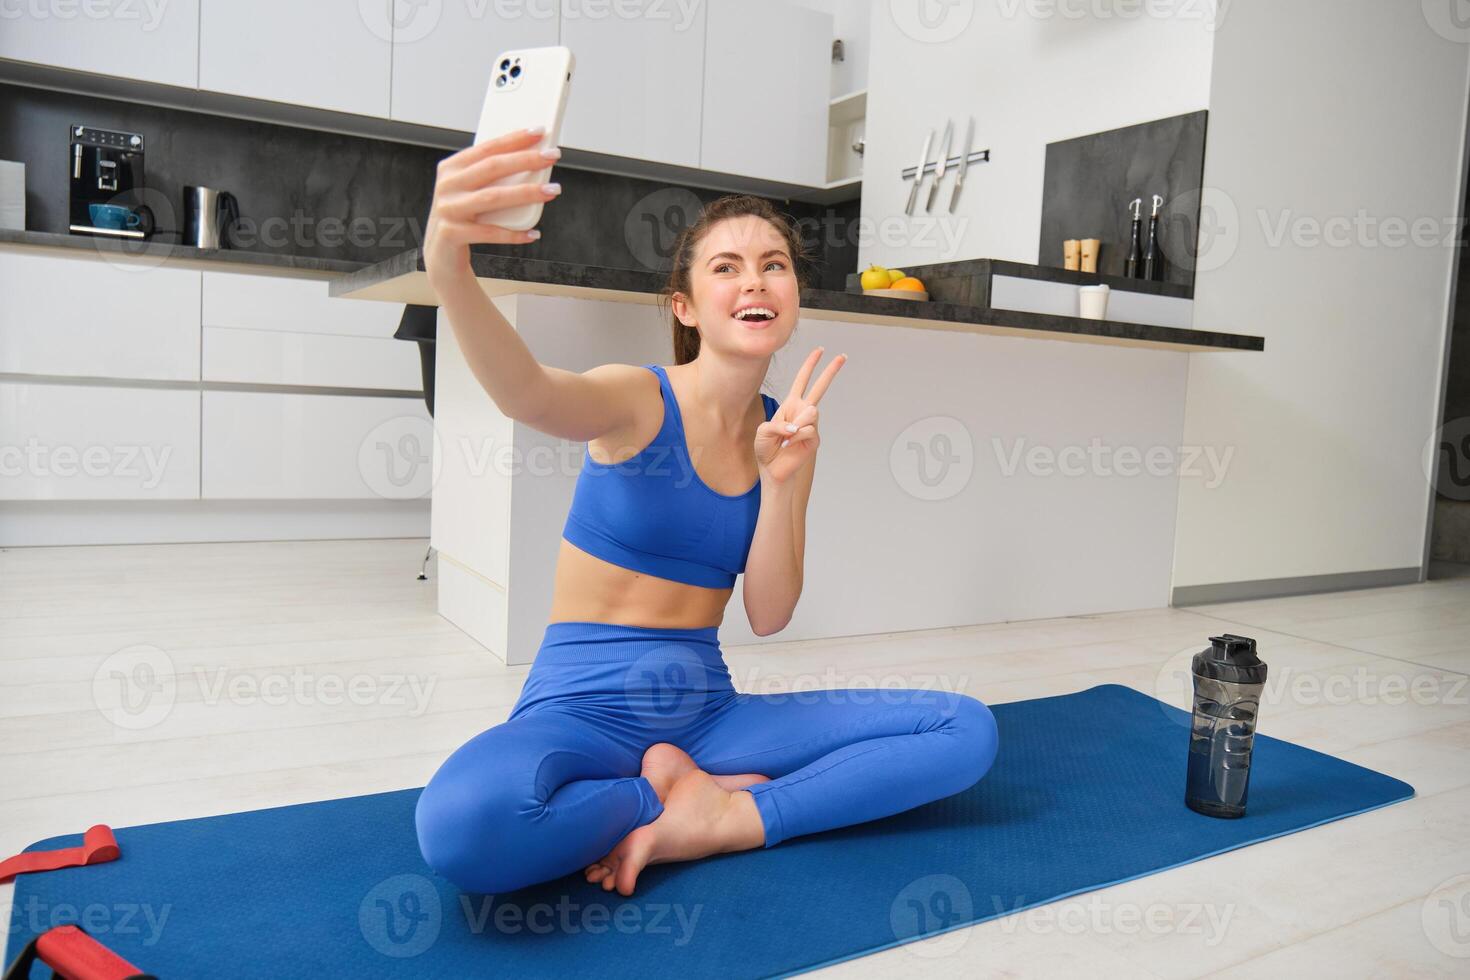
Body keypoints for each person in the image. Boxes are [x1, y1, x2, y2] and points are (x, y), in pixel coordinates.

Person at [413, 127, 1000, 898]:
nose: (754, 281)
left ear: (792, 296)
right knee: (458, 827)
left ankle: (726, 820)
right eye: (727, 267)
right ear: (686, 305)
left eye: (774, 265)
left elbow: (768, 613)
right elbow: (528, 394)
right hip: (580, 714)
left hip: (709, 717)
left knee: (965, 729)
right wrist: (449, 269)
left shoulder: (783, 431)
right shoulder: (636, 399)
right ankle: (665, 796)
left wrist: (782, 479)